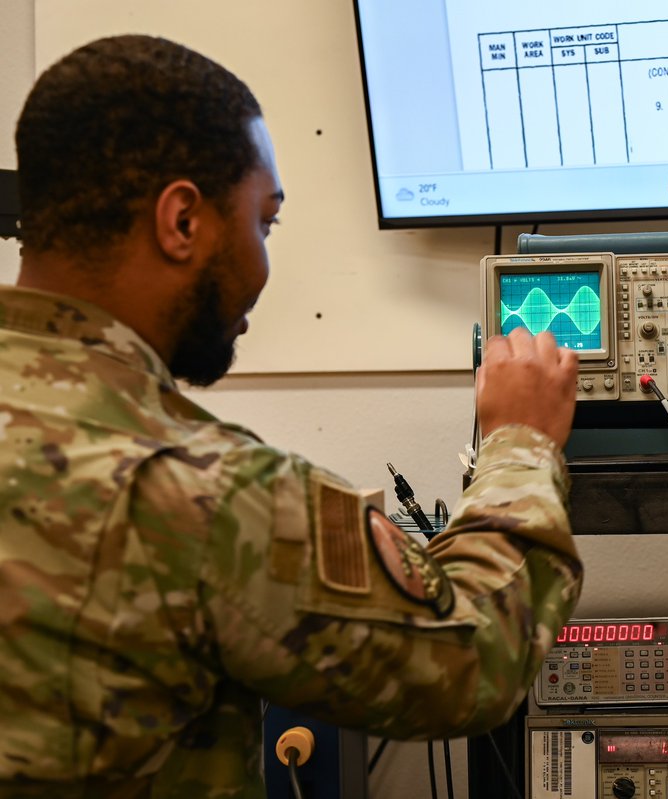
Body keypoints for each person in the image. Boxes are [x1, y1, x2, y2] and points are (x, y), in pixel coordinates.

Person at [1, 35, 581, 795]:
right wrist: (520, 443)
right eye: (264, 221)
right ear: (181, 222)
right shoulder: (201, 493)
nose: (264, 259)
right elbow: (473, 660)